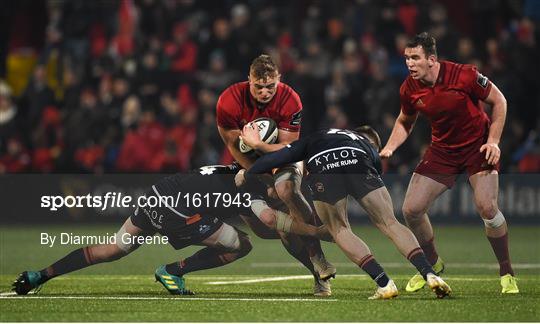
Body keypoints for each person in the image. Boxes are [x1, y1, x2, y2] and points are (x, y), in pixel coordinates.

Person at [12, 164, 325, 296]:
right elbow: (269, 222)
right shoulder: (255, 188)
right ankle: (173, 270)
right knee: (240, 246)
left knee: (113, 248)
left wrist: (287, 230)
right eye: (285, 185)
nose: (286, 192)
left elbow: (265, 228)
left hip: (158, 193)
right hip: (177, 209)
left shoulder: (238, 172)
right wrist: (314, 231)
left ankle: (40, 274)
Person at [238, 126, 451, 299]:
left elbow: (280, 156)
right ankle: (430, 273)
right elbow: (375, 166)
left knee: (339, 229)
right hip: (359, 161)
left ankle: (384, 283)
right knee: (390, 222)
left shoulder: (317, 136)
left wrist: (248, 173)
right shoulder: (365, 144)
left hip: (324, 164)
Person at [379, 32, 518, 294]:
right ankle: (432, 265)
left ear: (431, 59)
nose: (409, 63)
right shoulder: (409, 88)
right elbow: (404, 121)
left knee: (487, 208)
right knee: (411, 209)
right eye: (407, 58)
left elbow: (499, 101)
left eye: (415, 58)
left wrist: (494, 141)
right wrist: (389, 147)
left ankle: (506, 270)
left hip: (478, 147)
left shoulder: (464, 75)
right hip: (442, 150)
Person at [217, 54, 335, 296]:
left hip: (283, 158)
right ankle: (317, 242)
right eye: (258, 87)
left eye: (270, 86)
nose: (264, 92)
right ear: (248, 80)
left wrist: (260, 147)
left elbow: (288, 148)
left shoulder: (291, 99)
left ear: (279, 80)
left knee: (286, 190)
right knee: (270, 230)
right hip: (247, 162)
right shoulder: (228, 100)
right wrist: (257, 174)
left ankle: (318, 261)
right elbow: (232, 145)